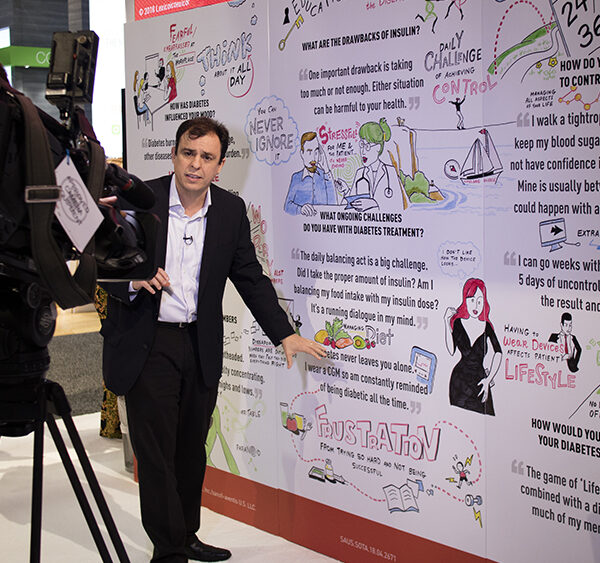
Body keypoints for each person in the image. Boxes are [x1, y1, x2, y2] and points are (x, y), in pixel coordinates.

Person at [100, 117, 326, 562]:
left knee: (189, 450)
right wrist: (133, 280)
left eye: (206, 157)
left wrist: (284, 333)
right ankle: (168, 551)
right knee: (157, 453)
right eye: (189, 152)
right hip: (149, 344)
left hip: (198, 345)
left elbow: (249, 276)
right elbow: (101, 267)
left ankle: (186, 535)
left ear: (219, 166)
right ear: (175, 153)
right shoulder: (138, 201)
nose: (195, 164)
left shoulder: (228, 210)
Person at [444, 278, 502, 415]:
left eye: (480, 301)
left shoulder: (486, 326)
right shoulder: (457, 323)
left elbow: (498, 352)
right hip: (459, 383)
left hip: (479, 382)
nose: (476, 305)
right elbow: (451, 350)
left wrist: (488, 379)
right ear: (465, 300)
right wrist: (446, 323)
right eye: (472, 300)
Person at [345, 117, 408, 212]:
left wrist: (374, 203)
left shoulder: (390, 172)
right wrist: (345, 190)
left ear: (378, 147)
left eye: (367, 146)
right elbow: (351, 205)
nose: (363, 151)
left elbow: (398, 205)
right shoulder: (359, 173)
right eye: (362, 145)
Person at [283, 131, 337, 216]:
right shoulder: (296, 177)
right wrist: (300, 209)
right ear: (302, 154)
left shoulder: (325, 176)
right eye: (309, 151)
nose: (313, 157)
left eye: (316, 152)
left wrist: (326, 169)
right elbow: (287, 206)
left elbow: (334, 204)